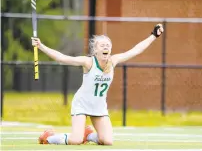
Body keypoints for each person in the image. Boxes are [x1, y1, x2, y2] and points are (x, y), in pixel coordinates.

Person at [32, 24, 164, 145]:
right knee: (75, 140)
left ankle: (88, 135)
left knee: (107, 141)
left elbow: (136, 50)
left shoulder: (113, 61)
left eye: (108, 45)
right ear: (95, 50)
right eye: (102, 45)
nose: (106, 47)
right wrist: (41, 46)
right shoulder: (88, 62)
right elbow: (62, 58)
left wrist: (153, 35)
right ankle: (48, 137)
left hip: (99, 106)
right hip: (82, 104)